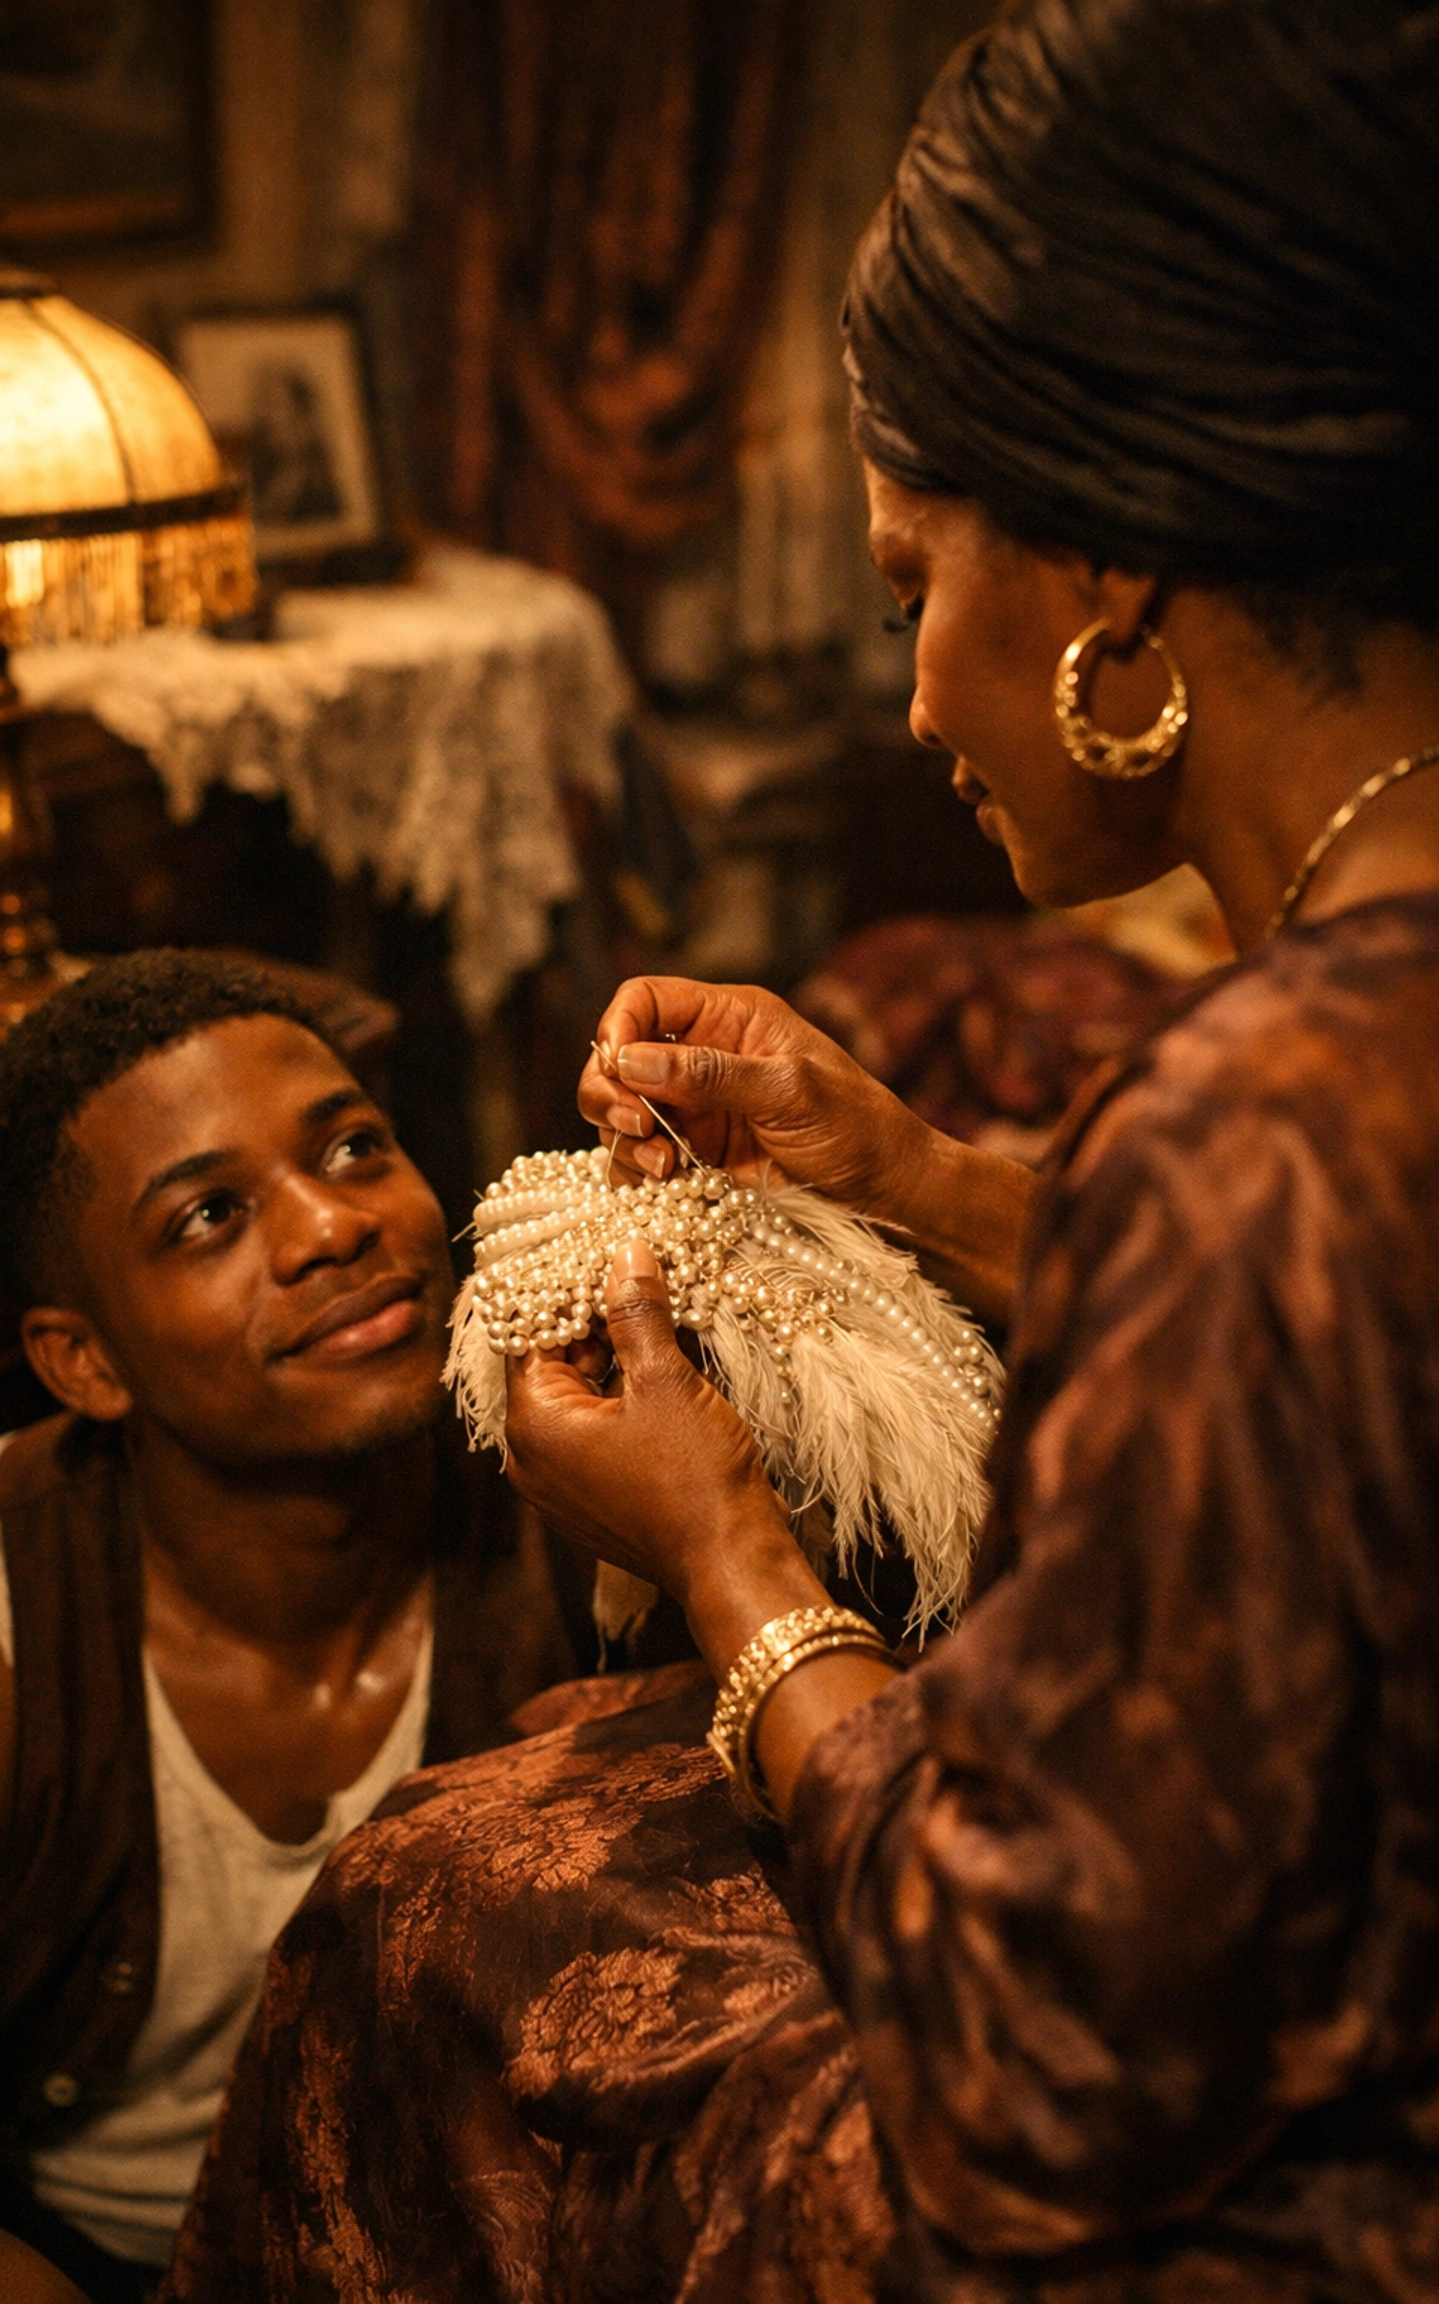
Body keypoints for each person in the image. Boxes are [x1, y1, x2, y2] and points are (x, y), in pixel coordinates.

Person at [165, 3, 1439, 2298]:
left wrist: (736, 1561)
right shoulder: (1332, 1052)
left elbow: (1035, 2086)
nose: (917, 696)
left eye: (906, 593)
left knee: (431, 1930)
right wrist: (911, 1166)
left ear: (1108, 572)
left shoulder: (1262, 1109)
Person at [0, 951, 575, 2304]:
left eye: (354, 1145)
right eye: (210, 1215)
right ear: (82, 1361)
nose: (334, 1226)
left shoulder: (579, 1483)